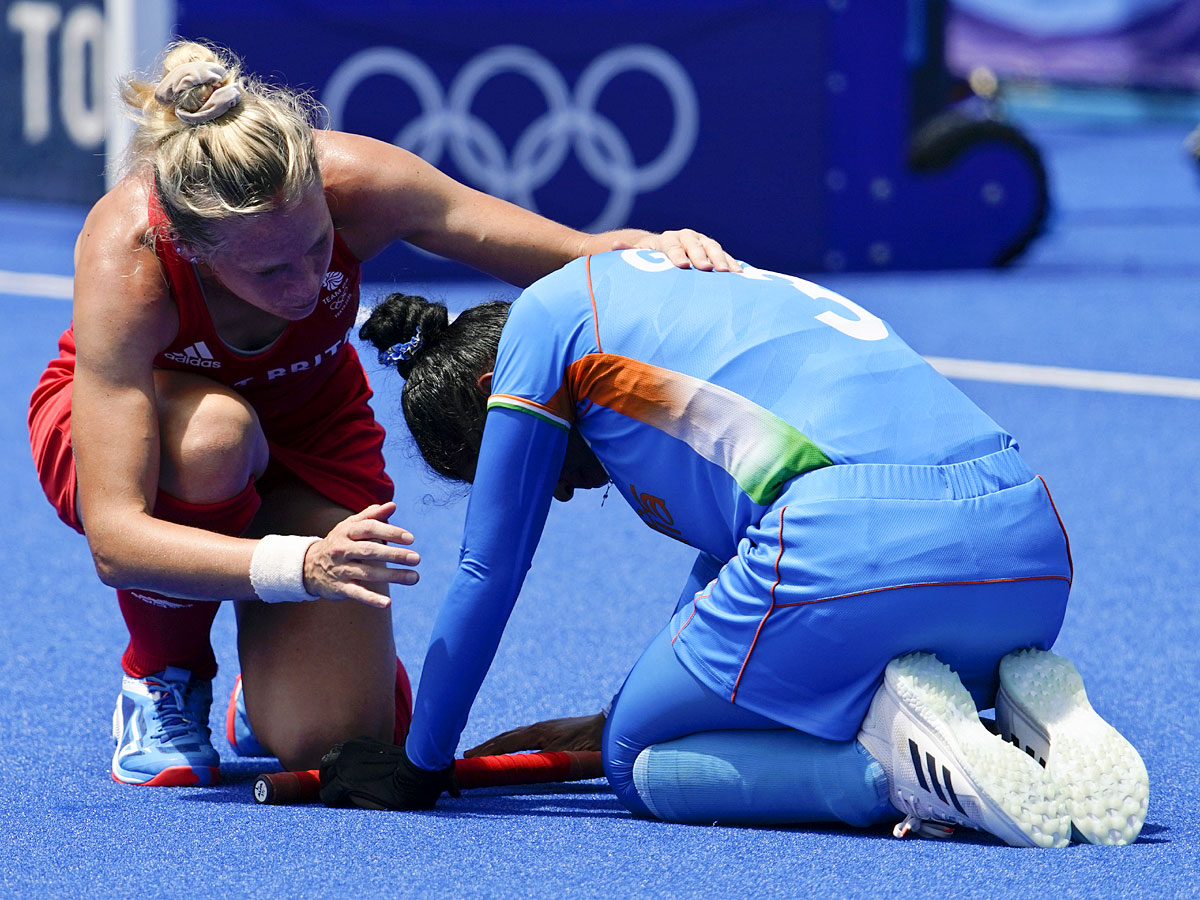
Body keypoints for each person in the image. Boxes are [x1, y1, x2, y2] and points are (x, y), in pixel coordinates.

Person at [26, 40, 737, 787]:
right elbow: (118, 538)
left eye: (316, 247)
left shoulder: (358, 183)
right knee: (213, 438)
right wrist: (299, 563)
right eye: (270, 270)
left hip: (312, 430)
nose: (307, 283)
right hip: (151, 440)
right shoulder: (130, 258)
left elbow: (582, 257)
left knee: (339, 742)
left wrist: (669, 261)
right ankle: (163, 676)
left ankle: (266, 694)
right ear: (194, 250)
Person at [323, 249, 1149, 847]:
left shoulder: (544, 322)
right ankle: (1005, 714)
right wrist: (629, 703)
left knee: (637, 758)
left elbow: (488, 569)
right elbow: (734, 577)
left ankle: (895, 772)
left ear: (489, 394)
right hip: (1030, 553)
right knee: (657, 706)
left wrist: (420, 761)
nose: (563, 491)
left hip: (857, 558)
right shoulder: (699, 285)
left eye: (504, 462)